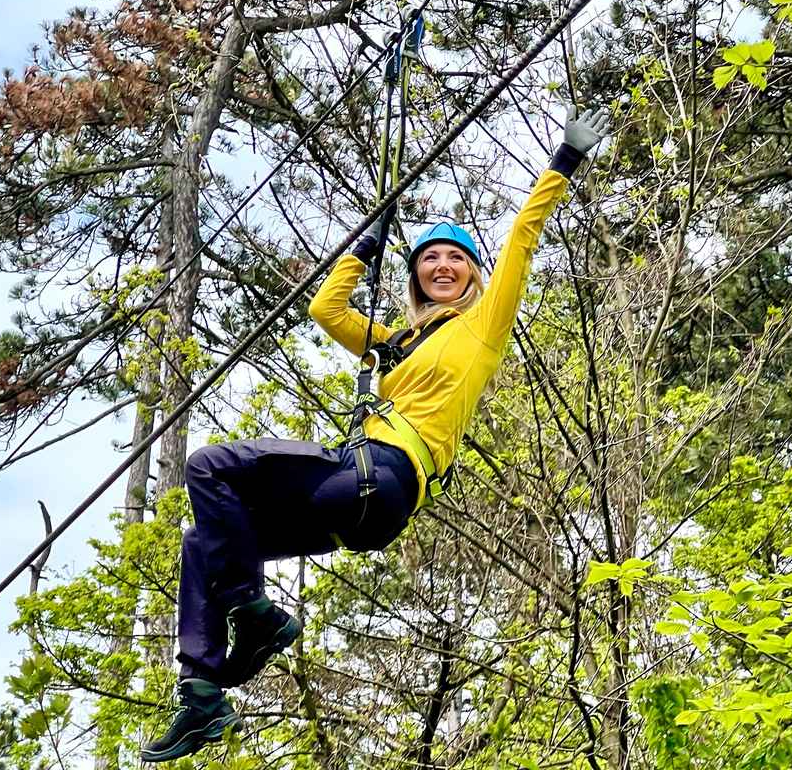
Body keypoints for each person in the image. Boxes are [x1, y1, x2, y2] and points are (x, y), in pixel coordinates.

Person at [140, 105, 610, 762]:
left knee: (211, 467)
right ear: (416, 275)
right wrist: (366, 247)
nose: (442, 266)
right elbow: (326, 309)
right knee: (205, 540)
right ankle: (202, 691)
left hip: (379, 474)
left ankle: (254, 615)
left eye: (457, 259)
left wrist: (565, 160)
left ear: (475, 275)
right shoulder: (394, 345)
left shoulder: (482, 327)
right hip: (359, 503)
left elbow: (524, 238)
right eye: (430, 259)